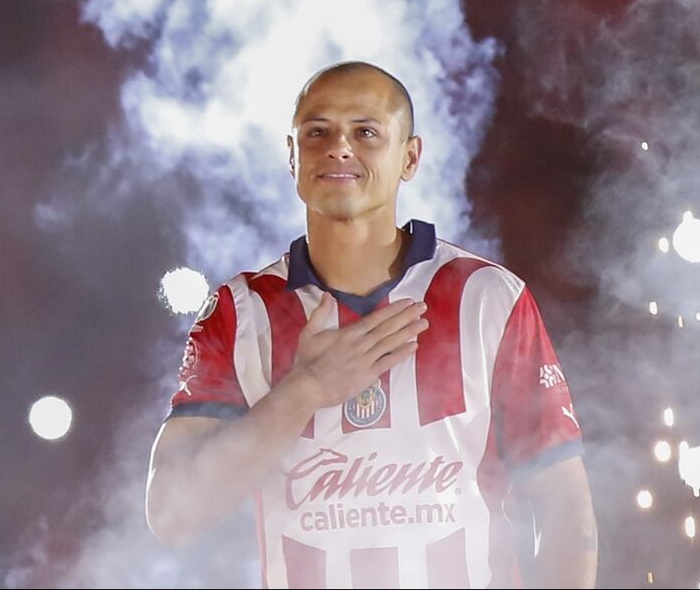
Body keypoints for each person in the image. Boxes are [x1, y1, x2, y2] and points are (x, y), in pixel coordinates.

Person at [145, 61, 597, 588]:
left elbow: (565, 509)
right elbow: (172, 515)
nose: (339, 147)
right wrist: (305, 391)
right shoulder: (239, 310)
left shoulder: (487, 297)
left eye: (366, 132)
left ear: (410, 157)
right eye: (317, 132)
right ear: (291, 155)